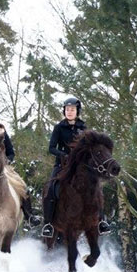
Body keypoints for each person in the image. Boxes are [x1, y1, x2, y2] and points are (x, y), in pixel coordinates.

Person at [41, 97, 111, 238]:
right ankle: (48, 224)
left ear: (77, 111)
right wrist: (64, 155)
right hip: (62, 164)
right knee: (50, 189)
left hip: (80, 166)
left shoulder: (83, 128)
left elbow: (90, 147)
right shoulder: (59, 128)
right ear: (64, 111)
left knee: (96, 187)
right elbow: (51, 148)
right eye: (67, 109)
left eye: (72, 109)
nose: (69, 112)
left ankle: (102, 221)